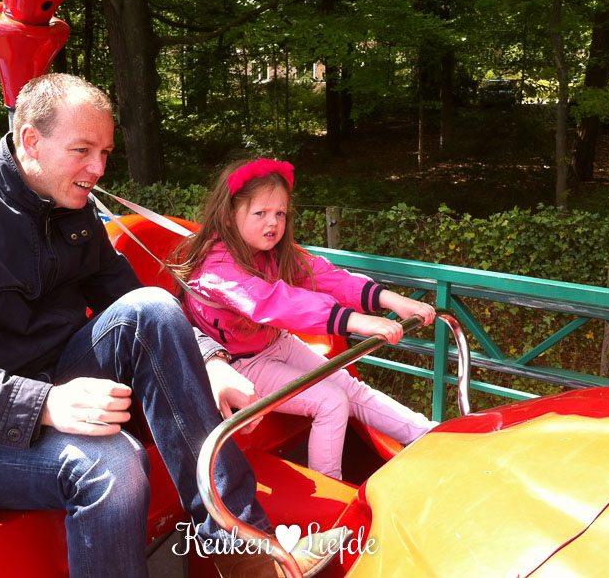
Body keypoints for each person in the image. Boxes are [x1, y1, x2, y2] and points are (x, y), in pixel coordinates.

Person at [0, 74, 344, 578]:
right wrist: (42, 403)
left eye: (105, 153)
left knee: (152, 305)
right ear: (31, 140)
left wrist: (209, 359)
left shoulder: (75, 208)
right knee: (112, 464)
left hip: (69, 382)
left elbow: (130, 301)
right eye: (83, 151)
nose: (98, 169)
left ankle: (238, 547)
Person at [173, 158, 439, 480]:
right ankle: (330, 491)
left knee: (349, 386)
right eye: (260, 213)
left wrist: (390, 299)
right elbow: (273, 302)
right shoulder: (217, 267)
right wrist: (354, 321)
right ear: (229, 215)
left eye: (280, 214)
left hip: (275, 342)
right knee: (331, 401)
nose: (273, 223)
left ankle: (429, 435)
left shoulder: (271, 253)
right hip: (239, 362)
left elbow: (323, 275)